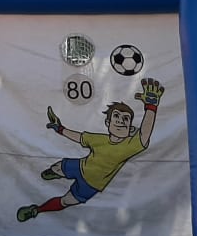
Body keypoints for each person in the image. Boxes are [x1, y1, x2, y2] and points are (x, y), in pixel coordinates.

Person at [17, 77, 163, 222]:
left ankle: (36, 210)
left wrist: (151, 107)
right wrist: (60, 129)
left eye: (125, 118)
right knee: (59, 166)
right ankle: (55, 172)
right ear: (108, 123)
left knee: (65, 201)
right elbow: (79, 137)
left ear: (130, 128)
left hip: (92, 185)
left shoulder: (130, 145)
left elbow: (144, 134)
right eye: (116, 116)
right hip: (80, 167)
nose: (120, 121)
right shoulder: (99, 139)